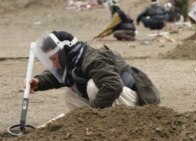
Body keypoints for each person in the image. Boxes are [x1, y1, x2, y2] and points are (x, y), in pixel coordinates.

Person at [28, 31, 160, 111]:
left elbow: (113, 85)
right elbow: (57, 75)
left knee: (94, 86)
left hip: (137, 101)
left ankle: (107, 122)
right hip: (117, 97)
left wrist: (93, 113)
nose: (53, 64)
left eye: (53, 58)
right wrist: (39, 82)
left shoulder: (91, 59)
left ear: (64, 52)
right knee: (70, 94)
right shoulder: (72, 60)